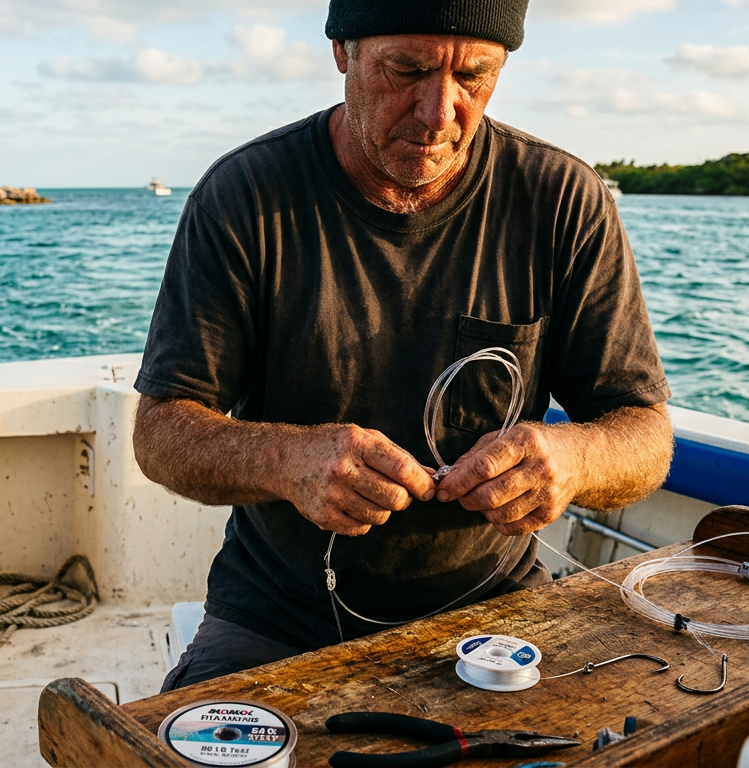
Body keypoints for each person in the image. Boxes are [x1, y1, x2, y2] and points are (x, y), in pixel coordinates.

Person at [133, 0, 674, 692]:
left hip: (495, 610)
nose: (438, 111)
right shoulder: (244, 197)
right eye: (406, 70)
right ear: (343, 54)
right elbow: (160, 433)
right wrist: (290, 461)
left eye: (474, 77)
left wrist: (572, 457)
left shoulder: (563, 199)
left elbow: (646, 436)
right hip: (277, 615)